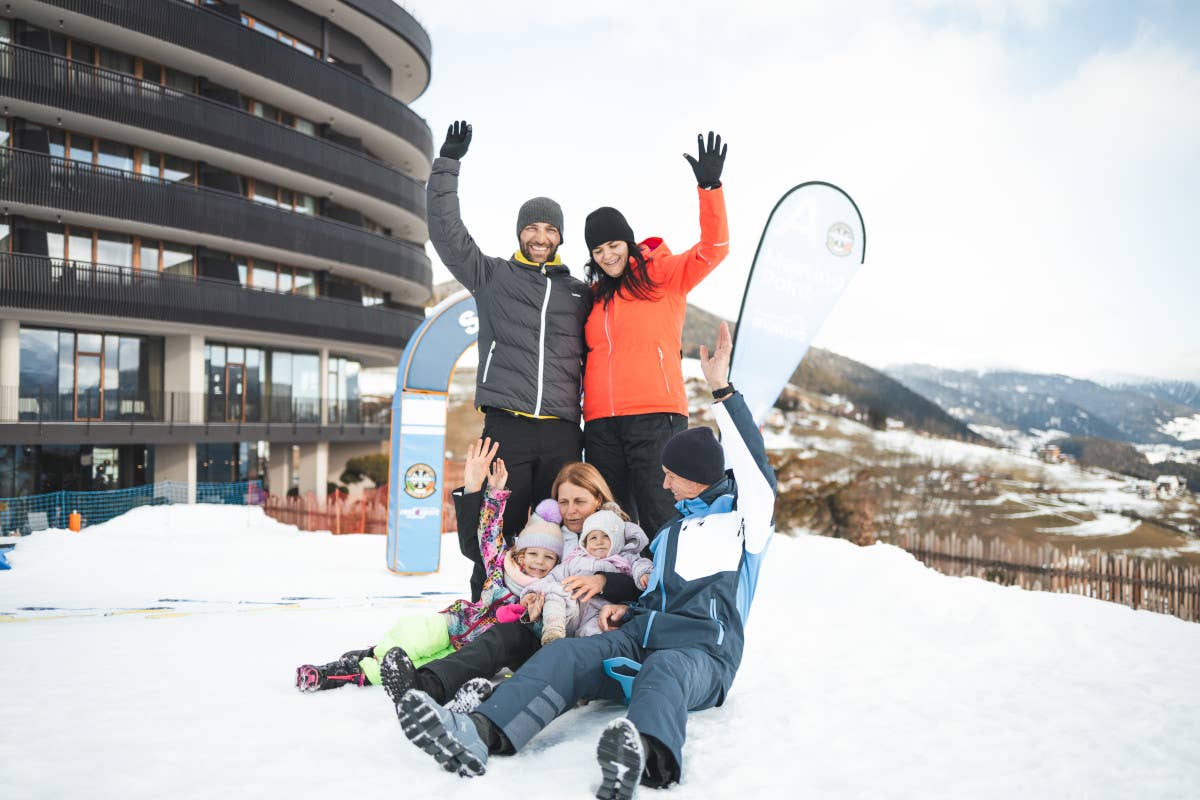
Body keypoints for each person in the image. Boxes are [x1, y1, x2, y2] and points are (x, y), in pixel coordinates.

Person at [394, 322, 777, 799]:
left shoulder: (745, 525)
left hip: (701, 653)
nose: (662, 487)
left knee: (664, 673)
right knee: (565, 654)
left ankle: (642, 761)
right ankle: (480, 733)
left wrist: (722, 389)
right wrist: (623, 605)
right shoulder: (671, 534)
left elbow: (755, 466)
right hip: (641, 636)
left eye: (670, 476)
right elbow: (643, 585)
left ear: (698, 475)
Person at [429, 119, 591, 601]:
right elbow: (447, 234)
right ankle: (485, 607)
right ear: (520, 231)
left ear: (560, 236)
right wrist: (447, 167)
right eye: (532, 227)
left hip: (563, 429)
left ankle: (550, 616)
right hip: (508, 427)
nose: (540, 236)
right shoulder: (492, 277)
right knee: (495, 525)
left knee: (558, 533)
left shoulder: (578, 293)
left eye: (549, 228)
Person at [294, 446, 562, 694]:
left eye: (548, 556)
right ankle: (369, 655)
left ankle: (337, 675)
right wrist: (494, 492)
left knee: (416, 666)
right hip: (453, 624)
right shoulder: (501, 564)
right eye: (533, 553)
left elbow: (539, 632)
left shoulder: (545, 592)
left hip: (468, 647)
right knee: (414, 637)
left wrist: (529, 616)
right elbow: (489, 531)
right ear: (521, 552)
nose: (539, 561)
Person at [377, 462, 644, 710]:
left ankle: (492, 704)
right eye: (563, 502)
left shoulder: (619, 535)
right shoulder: (551, 534)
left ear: (598, 499)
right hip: (547, 624)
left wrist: (602, 581)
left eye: (579, 501)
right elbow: (495, 549)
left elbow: (643, 582)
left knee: (543, 665)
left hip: (587, 636)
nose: (571, 510)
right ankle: (426, 685)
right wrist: (531, 597)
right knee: (503, 636)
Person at [582, 131, 730, 539]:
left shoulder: (662, 274)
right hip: (600, 424)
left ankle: (668, 598)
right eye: (598, 250)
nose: (607, 255)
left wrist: (710, 188)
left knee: (661, 513)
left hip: (655, 416)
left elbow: (714, 248)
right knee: (609, 523)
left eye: (613, 244)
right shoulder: (594, 297)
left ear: (627, 242)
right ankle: (618, 600)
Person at [536, 508, 654, 643]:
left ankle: (584, 652)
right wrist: (532, 592)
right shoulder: (575, 560)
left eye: (606, 536)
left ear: (618, 540)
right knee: (555, 591)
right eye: (593, 537)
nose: (599, 541)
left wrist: (644, 574)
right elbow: (552, 578)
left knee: (596, 632)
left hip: (600, 612)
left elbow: (640, 564)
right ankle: (553, 631)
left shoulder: (624, 559)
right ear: (585, 543)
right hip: (572, 608)